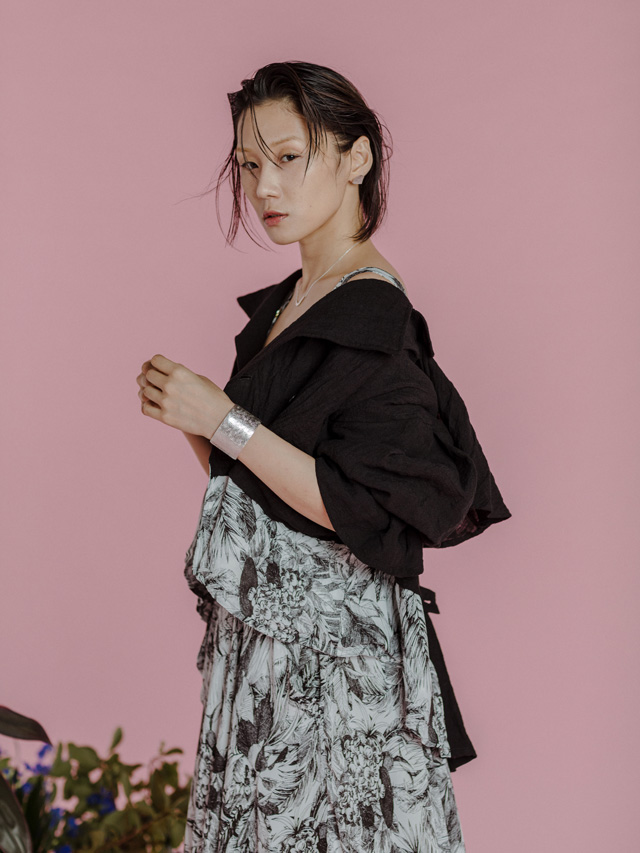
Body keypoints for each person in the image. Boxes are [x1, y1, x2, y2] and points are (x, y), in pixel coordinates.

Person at [136, 61, 510, 853]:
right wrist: (196, 422)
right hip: (272, 650)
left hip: (333, 668)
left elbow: (356, 508)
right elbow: (264, 499)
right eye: (249, 165)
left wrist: (223, 417)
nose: (264, 186)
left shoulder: (371, 312)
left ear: (356, 158)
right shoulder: (294, 299)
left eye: (287, 157)